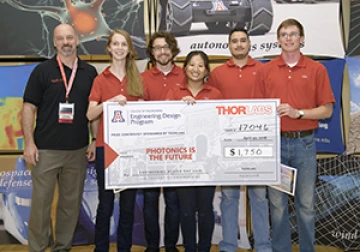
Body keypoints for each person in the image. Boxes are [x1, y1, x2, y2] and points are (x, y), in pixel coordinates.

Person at [253, 18, 335, 252]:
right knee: (277, 206)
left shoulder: (317, 69)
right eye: (284, 34)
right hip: (276, 145)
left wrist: (298, 113)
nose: (288, 38)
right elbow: (257, 109)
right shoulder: (265, 70)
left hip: (305, 144)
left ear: (302, 38)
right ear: (278, 40)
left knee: (306, 205)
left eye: (293, 34)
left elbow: (327, 110)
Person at [22, 23, 97, 252]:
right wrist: (29, 143)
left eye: (70, 37)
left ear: (77, 40)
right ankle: (37, 247)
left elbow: (93, 110)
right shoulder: (42, 71)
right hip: (45, 150)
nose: (66, 42)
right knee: (41, 204)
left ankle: (62, 247)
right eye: (61, 38)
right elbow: (27, 108)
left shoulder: (90, 72)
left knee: (70, 205)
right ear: (54, 42)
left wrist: (94, 140)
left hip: (77, 150)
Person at [208, 27, 272, 252]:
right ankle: (228, 245)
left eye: (242, 40)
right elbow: (211, 107)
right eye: (234, 41)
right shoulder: (217, 74)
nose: (238, 44)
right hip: (228, 144)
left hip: (258, 143)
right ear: (229, 45)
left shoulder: (264, 70)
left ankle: (263, 246)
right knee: (228, 197)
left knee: (259, 197)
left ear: (249, 43)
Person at [86, 29, 144, 252]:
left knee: (128, 206)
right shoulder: (101, 79)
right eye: (116, 44)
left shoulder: (137, 79)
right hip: (105, 149)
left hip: (131, 151)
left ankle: (124, 248)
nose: (120, 48)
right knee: (106, 204)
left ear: (129, 49)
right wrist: (109, 102)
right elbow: (90, 115)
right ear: (109, 48)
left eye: (124, 44)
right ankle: (101, 248)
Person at [166, 50, 222, 252]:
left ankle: (204, 248)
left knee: (206, 209)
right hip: (183, 162)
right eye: (191, 64)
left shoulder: (215, 94)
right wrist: (180, 108)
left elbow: (219, 128)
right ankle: (189, 248)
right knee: (187, 210)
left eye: (200, 65)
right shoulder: (174, 93)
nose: (195, 69)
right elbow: (166, 125)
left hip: (207, 161)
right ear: (185, 68)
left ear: (206, 70)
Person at [141, 30, 184, 252]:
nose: (162, 51)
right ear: (152, 52)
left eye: (166, 47)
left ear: (173, 50)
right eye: (157, 48)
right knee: (149, 199)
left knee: (173, 200)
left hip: (177, 149)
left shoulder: (186, 75)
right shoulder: (142, 78)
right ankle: (151, 246)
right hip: (150, 149)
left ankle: (170, 245)